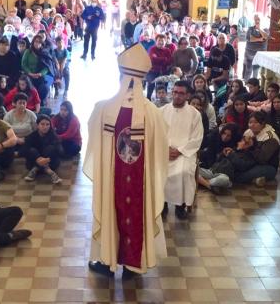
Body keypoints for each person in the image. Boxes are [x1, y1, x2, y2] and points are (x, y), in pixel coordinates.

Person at [83, 43, 168, 277]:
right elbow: (160, 149)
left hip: (113, 179)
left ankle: (107, 260)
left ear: (121, 76)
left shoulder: (104, 109)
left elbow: (93, 140)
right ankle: (134, 264)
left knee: (110, 209)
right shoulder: (153, 113)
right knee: (137, 209)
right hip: (140, 182)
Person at [160, 81, 203, 220]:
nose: (177, 96)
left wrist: (179, 151)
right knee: (158, 170)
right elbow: (156, 135)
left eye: (181, 93)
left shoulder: (194, 114)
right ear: (172, 92)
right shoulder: (162, 111)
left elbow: (197, 138)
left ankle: (180, 206)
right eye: (175, 92)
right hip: (164, 151)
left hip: (185, 153)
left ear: (188, 95)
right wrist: (165, 149)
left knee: (183, 171)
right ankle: (162, 204)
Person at [229, 112, 280, 187]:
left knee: (239, 176)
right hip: (250, 162)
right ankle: (255, 179)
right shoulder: (248, 132)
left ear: (263, 123)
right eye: (250, 122)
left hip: (267, 166)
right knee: (233, 168)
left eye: (256, 122)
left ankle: (256, 178)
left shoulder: (270, 137)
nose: (252, 125)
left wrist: (251, 146)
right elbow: (241, 149)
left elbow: (262, 159)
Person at [23, 115, 63, 184]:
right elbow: (25, 150)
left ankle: (36, 169)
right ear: (37, 125)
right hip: (34, 162)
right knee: (32, 150)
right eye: (42, 124)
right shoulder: (32, 136)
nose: (45, 127)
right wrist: (38, 158)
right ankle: (49, 171)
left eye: (47, 124)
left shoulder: (53, 135)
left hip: (51, 162)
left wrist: (47, 159)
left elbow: (60, 151)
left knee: (51, 148)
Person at [21, 34, 55, 102]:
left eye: (39, 42)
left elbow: (47, 67)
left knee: (44, 88)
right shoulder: (28, 52)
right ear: (33, 42)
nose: (37, 44)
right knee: (27, 86)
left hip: (40, 76)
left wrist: (40, 74)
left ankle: (40, 102)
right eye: (36, 41)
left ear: (42, 44)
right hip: (29, 75)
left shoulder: (44, 53)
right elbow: (23, 64)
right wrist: (30, 73)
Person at [146, 34, 174, 100]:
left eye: (162, 40)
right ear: (156, 41)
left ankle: (162, 100)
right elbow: (152, 59)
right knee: (151, 83)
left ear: (165, 42)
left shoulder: (167, 50)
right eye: (159, 40)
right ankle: (148, 98)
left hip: (163, 71)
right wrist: (164, 59)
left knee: (163, 86)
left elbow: (170, 61)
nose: (161, 42)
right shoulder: (152, 49)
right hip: (152, 71)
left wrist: (158, 58)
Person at [242, 14, 269, 80]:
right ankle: (246, 82)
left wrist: (259, 29)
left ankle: (254, 84)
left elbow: (265, 37)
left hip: (260, 53)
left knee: (256, 69)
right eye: (255, 19)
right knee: (248, 69)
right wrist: (259, 39)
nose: (257, 21)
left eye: (258, 19)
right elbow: (249, 38)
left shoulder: (266, 29)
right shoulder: (250, 28)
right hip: (249, 53)